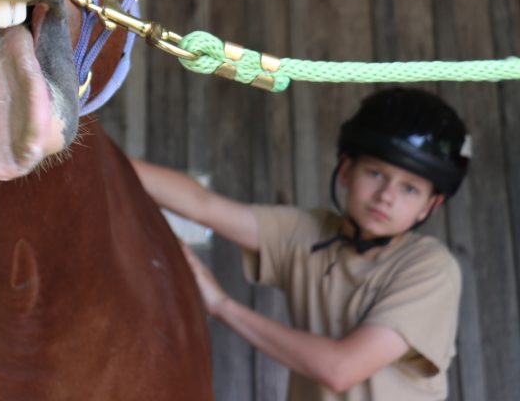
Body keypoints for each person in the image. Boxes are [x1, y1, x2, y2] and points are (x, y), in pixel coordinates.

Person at [133, 87, 470, 400]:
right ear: (346, 171)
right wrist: (96, 149)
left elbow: (341, 369)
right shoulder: (310, 232)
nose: (386, 197)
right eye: (375, 173)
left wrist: (222, 305)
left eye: (410, 189)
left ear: (430, 205)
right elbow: (201, 204)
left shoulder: (431, 268)